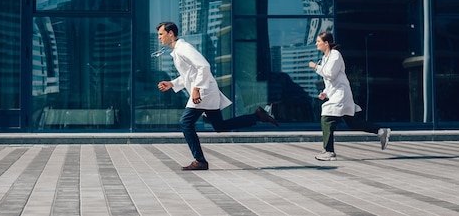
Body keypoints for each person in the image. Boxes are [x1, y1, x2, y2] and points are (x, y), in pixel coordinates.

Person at [156, 21, 278, 170]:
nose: (159, 38)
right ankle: (257, 116)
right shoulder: (177, 50)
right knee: (219, 126)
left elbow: (204, 66)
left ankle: (200, 160)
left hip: (203, 92)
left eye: (161, 34)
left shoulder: (184, 48)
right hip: (205, 91)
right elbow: (190, 74)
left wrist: (196, 89)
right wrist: (172, 83)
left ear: (171, 33)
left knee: (185, 123)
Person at [308, 31, 391, 161]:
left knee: (327, 118)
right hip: (336, 94)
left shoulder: (335, 55)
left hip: (342, 94)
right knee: (353, 122)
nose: (316, 44)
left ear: (326, 43)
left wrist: (315, 67)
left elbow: (330, 73)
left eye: (318, 41)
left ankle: (329, 152)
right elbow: (329, 81)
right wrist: (326, 92)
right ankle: (380, 131)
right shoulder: (325, 58)